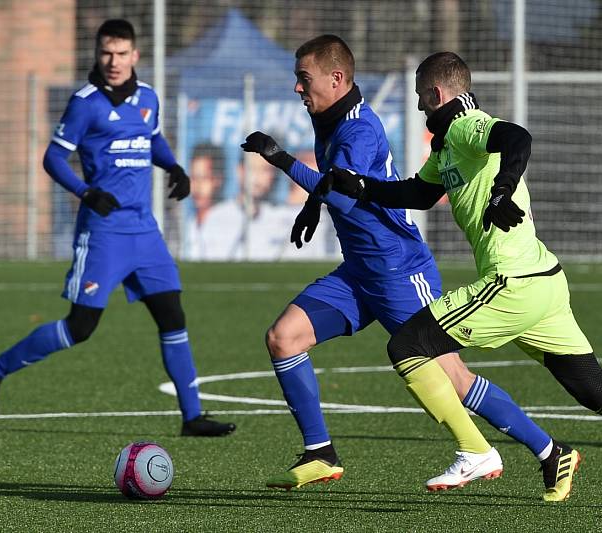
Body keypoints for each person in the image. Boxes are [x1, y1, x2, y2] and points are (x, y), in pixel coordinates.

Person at [320, 51, 602, 510]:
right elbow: (417, 191)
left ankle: (475, 451)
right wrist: (361, 187)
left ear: (437, 95)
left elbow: (517, 139)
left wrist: (501, 189)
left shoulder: (465, 125)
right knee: (600, 392)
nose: (418, 108)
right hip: (544, 283)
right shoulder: (446, 146)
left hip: (511, 283)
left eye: (420, 98)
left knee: (407, 346)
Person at [242, 35, 578, 501]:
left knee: (454, 378)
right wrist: (313, 207)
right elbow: (336, 189)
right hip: (359, 273)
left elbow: (344, 190)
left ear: (336, 79)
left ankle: (546, 450)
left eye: (305, 78)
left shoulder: (359, 129)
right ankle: (320, 452)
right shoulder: (328, 118)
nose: (298, 88)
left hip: (400, 271)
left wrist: (279, 159)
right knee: (284, 338)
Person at [0, 19, 235, 438]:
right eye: (106, 53)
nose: (113, 61)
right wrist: (85, 191)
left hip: (144, 231)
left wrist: (174, 167)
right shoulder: (85, 103)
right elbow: (53, 159)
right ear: (97, 54)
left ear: (135, 56)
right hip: (104, 231)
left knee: (172, 314)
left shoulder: (148, 97)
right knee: (81, 327)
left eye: (121, 53)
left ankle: (192, 416)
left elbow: (152, 138)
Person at [184, 142, 242, 260]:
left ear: (218, 180)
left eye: (204, 178)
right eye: (193, 178)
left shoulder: (230, 217)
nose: (197, 187)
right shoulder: (189, 223)